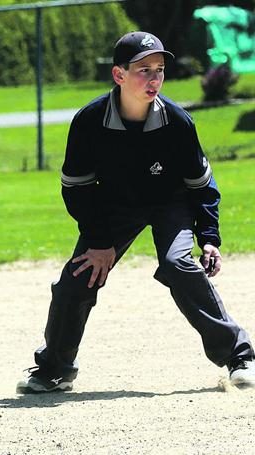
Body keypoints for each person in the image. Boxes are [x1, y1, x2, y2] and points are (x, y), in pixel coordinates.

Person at [16, 31, 255, 394]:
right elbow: (76, 188)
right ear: (119, 75)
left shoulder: (177, 122)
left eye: (159, 69)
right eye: (144, 69)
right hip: (112, 208)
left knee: (179, 264)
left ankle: (239, 356)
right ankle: (55, 368)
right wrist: (98, 242)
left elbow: (201, 186)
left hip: (170, 204)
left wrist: (209, 238)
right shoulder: (89, 122)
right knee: (78, 279)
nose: (154, 78)